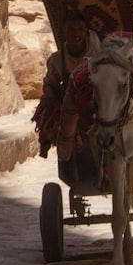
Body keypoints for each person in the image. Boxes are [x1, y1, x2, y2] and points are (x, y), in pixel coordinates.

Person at [32, 10, 98, 158]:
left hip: (92, 99)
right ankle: (47, 140)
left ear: (86, 32)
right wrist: (49, 94)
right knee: (49, 106)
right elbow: (50, 83)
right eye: (71, 29)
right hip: (68, 99)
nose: (76, 33)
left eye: (80, 29)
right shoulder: (56, 60)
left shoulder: (95, 56)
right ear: (64, 33)